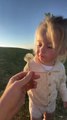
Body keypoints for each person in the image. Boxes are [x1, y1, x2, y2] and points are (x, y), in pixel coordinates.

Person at [24, 15, 67, 120]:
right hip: (35, 103)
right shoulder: (31, 64)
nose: (41, 50)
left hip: (50, 103)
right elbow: (24, 78)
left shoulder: (60, 68)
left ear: (62, 51)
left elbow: (62, 83)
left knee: (50, 117)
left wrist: (65, 98)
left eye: (49, 46)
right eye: (39, 44)